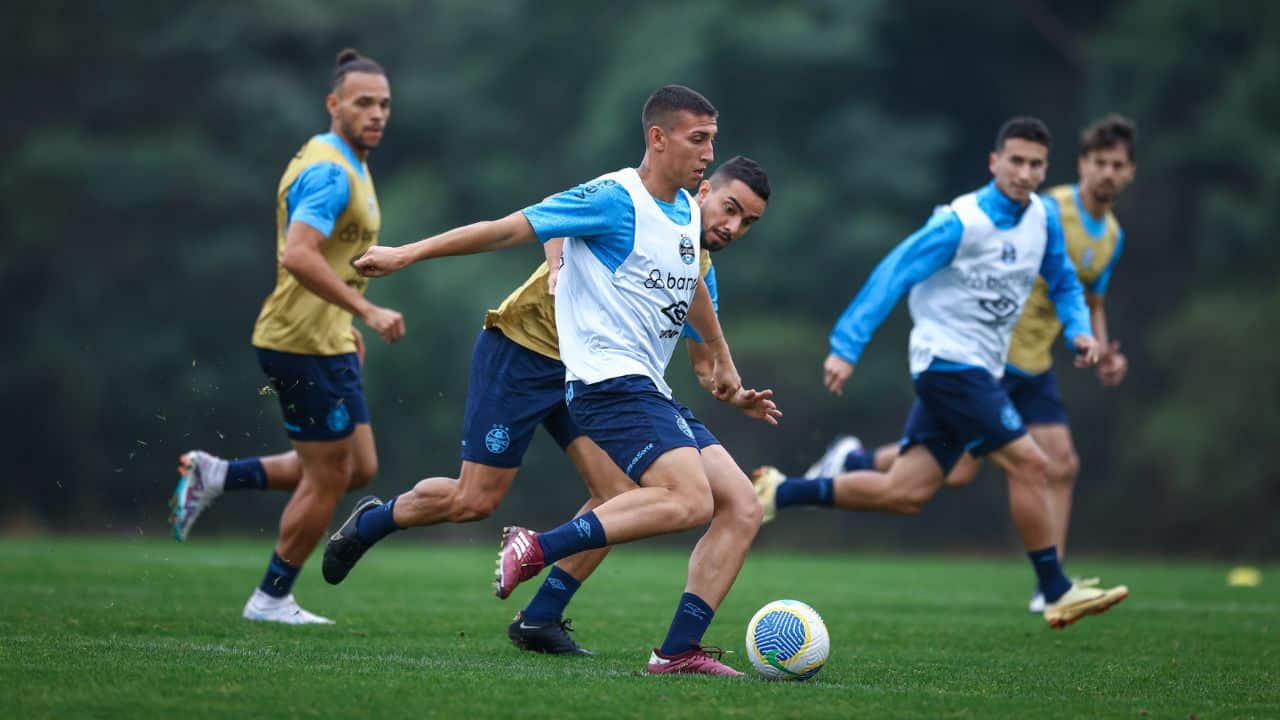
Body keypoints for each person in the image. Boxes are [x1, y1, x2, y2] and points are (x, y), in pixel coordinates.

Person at [353, 86, 777, 673]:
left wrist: (725, 369)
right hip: (539, 357)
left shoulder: (685, 221)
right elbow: (521, 227)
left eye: (747, 221)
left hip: (622, 381)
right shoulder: (614, 198)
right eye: (699, 140)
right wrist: (406, 254)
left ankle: (649, 642)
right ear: (659, 139)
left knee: (734, 506)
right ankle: (410, 524)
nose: (733, 224)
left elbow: (697, 297)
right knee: (480, 499)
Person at [753, 117, 1128, 629]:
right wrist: (846, 346)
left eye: (1035, 164)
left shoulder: (1042, 217)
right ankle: (1054, 589)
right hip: (949, 365)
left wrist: (1080, 331)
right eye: (1014, 161)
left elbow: (1064, 281)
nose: (1024, 172)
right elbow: (895, 271)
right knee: (1033, 464)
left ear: (1046, 169)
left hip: (979, 370)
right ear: (994, 162)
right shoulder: (962, 221)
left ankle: (780, 491)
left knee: (905, 493)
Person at [168, 49, 404, 624]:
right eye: (363, 103)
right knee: (328, 475)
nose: (376, 114)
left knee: (359, 467)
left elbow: (332, 255)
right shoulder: (328, 170)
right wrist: (365, 312)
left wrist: (345, 322)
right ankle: (270, 598)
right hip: (297, 341)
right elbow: (298, 255)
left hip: (328, 338)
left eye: (384, 104)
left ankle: (218, 474)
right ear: (334, 105)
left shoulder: (352, 159)